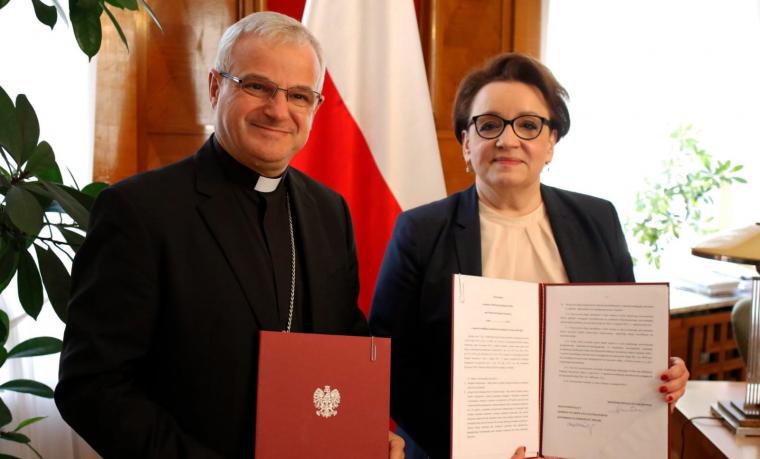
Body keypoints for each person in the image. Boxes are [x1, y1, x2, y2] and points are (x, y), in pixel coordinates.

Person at [55, 11, 403, 458]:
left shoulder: (329, 212)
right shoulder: (140, 211)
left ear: (315, 107)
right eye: (257, 86)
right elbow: (92, 386)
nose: (278, 110)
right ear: (216, 86)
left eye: (299, 95)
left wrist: (364, 431)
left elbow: (344, 345)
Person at [369, 52, 688, 459]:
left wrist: (661, 377)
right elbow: (388, 362)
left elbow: (624, 344)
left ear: (550, 142)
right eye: (489, 125)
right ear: (466, 143)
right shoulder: (420, 231)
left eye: (528, 125)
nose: (508, 140)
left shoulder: (598, 220)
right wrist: (473, 449)